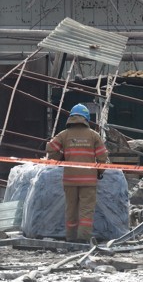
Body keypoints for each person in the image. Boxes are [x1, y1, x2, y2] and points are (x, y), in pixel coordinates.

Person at [46, 103, 108, 243]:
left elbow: (50, 149)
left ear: (71, 118)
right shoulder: (93, 135)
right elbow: (102, 157)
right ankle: (83, 239)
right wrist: (99, 172)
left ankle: (71, 238)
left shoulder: (64, 135)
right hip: (88, 181)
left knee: (71, 209)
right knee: (86, 211)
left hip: (70, 180)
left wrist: (60, 158)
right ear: (86, 118)